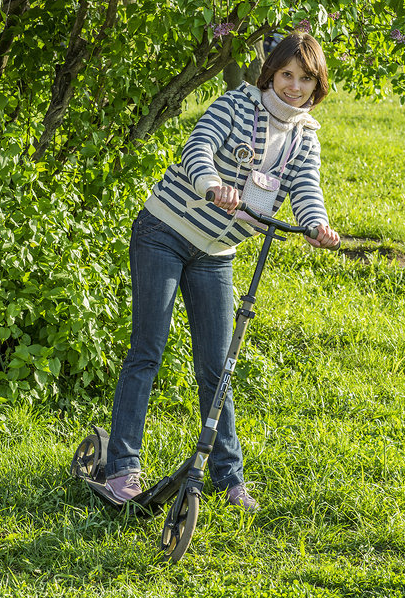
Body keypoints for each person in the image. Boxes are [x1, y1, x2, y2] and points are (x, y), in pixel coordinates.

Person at [104, 31, 340, 510]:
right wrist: (212, 183)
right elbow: (199, 146)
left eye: (305, 79)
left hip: (216, 253)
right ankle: (122, 468)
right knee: (147, 349)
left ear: (317, 86)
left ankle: (228, 476)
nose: (294, 87)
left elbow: (305, 188)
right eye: (286, 75)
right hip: (164, 233)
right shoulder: (236, 104)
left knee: (218, 365)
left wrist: (317, 223)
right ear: (270, 73)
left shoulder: (304, 138)